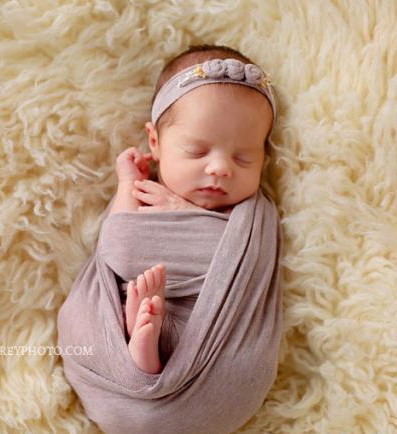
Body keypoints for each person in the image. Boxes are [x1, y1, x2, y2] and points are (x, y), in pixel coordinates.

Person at [102, 44, 278, 374]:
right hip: (148, 306)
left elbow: (244, 261)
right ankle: (141, 346)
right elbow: (120, 244)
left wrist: (181, 209)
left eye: (244, 158)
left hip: (217, 335)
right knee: (144, 303)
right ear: (154, 142)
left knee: (161, 313)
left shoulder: (250, 218)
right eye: (197, 152)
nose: (220, 169)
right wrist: (127, 185)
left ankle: (148, 345)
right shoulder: (147, 190)